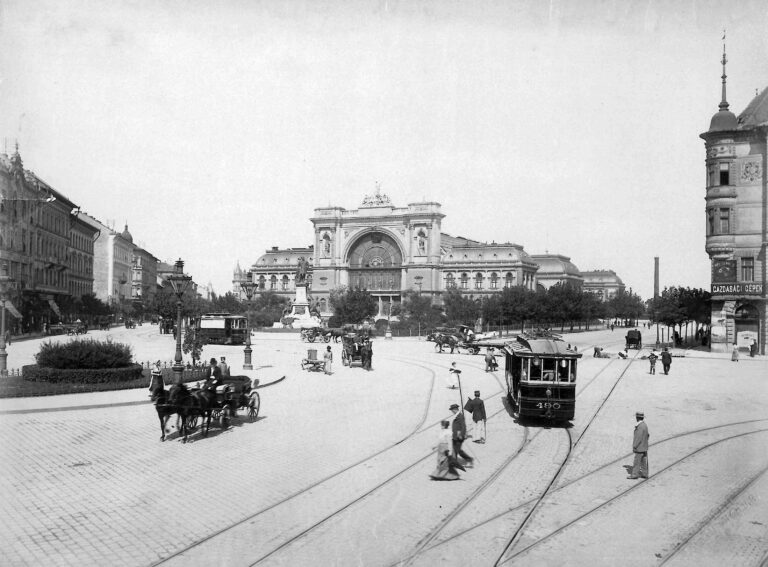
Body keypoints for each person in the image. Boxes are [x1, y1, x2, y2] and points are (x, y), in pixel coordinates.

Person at [449, 403, 474, 467]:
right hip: (455, 436)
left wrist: (461, 435)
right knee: (455, 450)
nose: (452, 411)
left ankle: (469, 459)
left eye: (452, 410)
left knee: (458, 450)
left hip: (459, 437)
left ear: (455, 409)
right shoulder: (457, 416)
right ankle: (454, 462)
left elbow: (464, 427)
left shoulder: (460, 416)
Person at [628, 411, 649, 479]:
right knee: (643, 461)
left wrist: (634, 446)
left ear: (637, 418)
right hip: (644, 447)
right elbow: (647, 435)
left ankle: (634, 475)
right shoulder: (645, 425)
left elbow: (638, 438)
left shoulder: (640, 426)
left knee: (637, 462)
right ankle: (645, 474)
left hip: (639, 448)